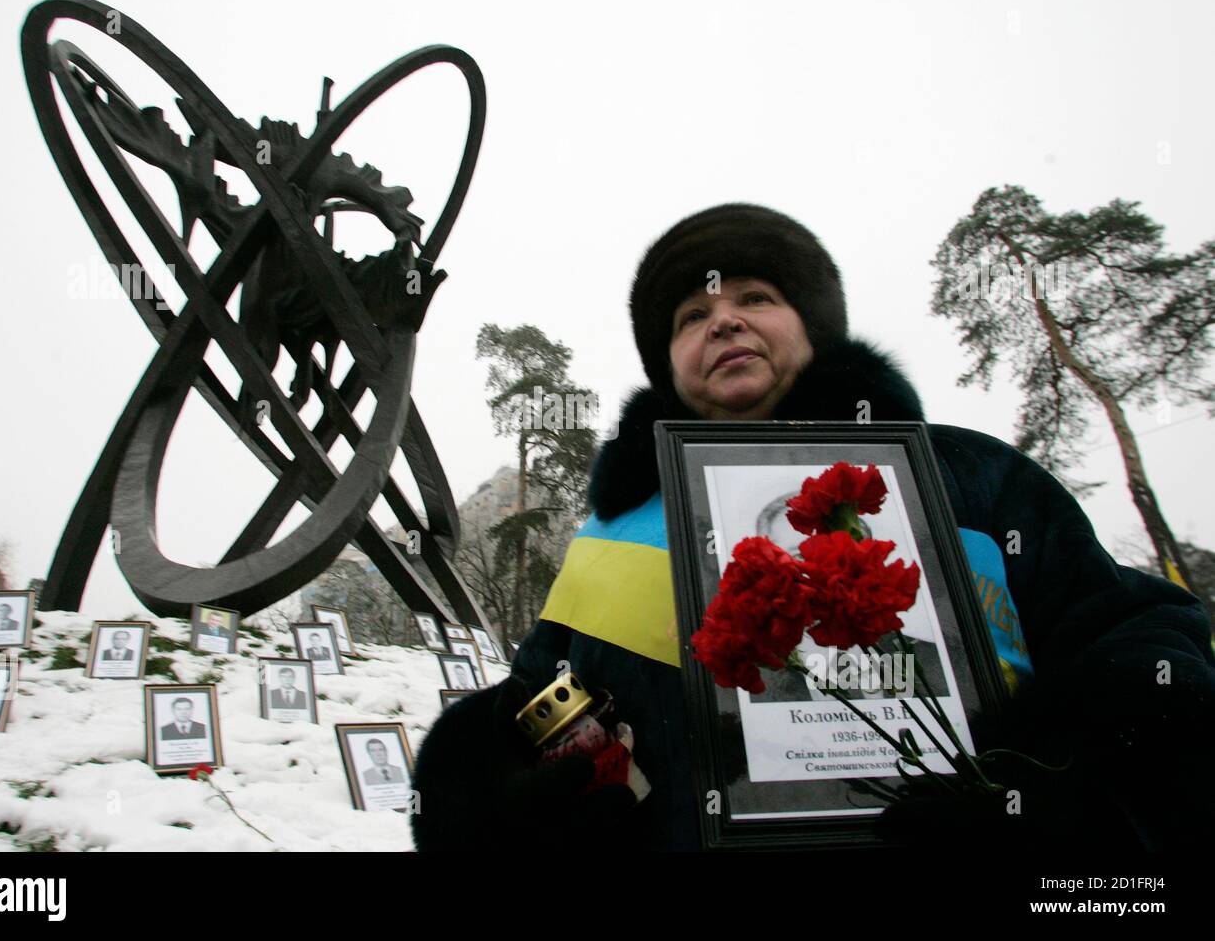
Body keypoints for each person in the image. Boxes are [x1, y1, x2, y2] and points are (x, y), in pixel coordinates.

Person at [410, 203, 1215, 853]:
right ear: (669, 363)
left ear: (813, 326)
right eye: (693, 315)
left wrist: (1079, 795)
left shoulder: (971, 478)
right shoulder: (617, 525)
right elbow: (539, 700)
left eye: (755, 299)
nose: (724, 322)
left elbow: (1130, 639)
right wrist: (489, 796)